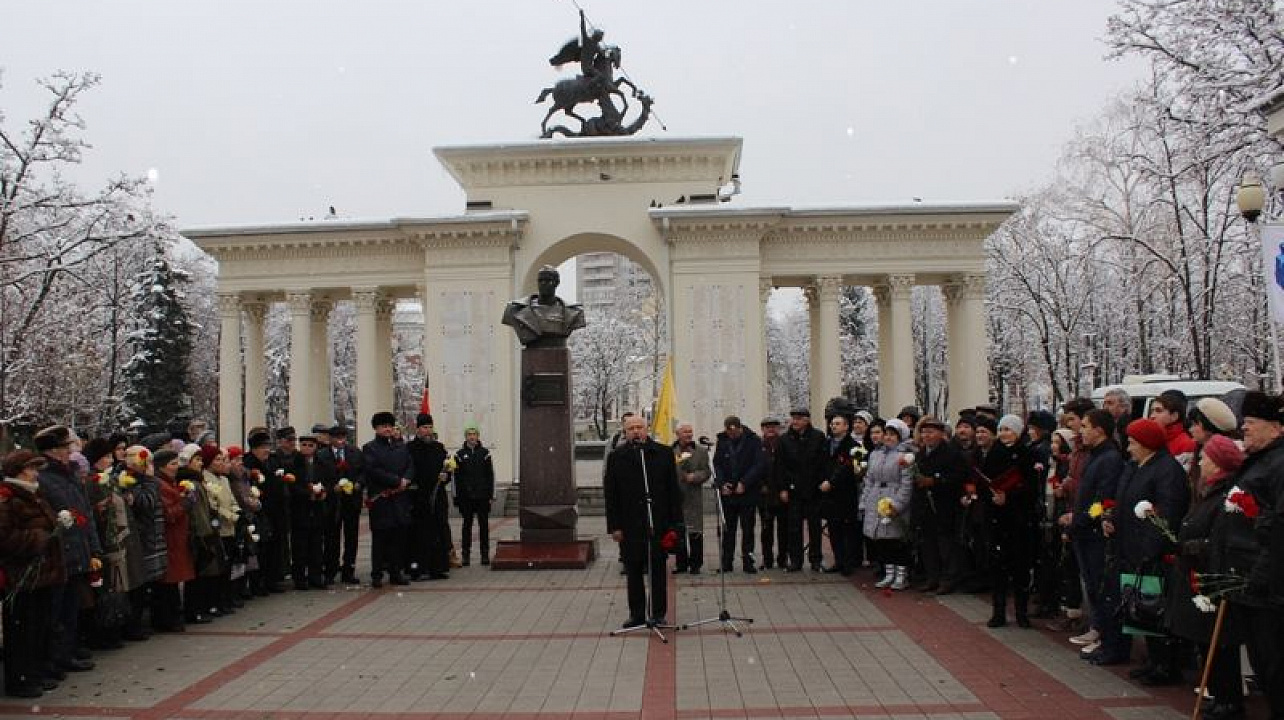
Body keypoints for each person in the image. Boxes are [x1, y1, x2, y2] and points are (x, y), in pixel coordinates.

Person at [1091, 418, 1189, 673]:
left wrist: (1149, 549)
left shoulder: (1167, 471)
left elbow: (1166, 514)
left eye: (1133, 442)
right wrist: (1111, 518)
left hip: (1149, 553)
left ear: (1147, 444)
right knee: (1139, 608)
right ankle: (1153, 660)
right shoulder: (1135, 467)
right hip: (1128, 548)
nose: (1129, 447)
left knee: (1152, 607)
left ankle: (1163, 664)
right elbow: (1124, 501)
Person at [1169, 434, 1246, 720]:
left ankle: (1229, 700)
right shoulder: (1209, 490)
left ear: (1218, 463)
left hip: (1214, 577)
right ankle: (1218, 694)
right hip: (1199, 574)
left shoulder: (1228, 495)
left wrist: (1195, 547)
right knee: (1205, 639)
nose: (1200, 461)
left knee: (1220, 643)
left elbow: (1224, 538)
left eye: (1205, 457)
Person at [1228, 391, 1284, 718]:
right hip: (1254, 578)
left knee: (1274, 664)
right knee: (1266, 664)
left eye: (1250, 423)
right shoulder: (1261, 459)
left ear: (1276, 427)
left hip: (1269, 584)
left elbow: (1277, 525)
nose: (1244, 429)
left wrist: (1261, 576)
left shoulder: (1278, 463)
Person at [33, 425, 101, 673]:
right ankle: (50, 659)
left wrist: (93, 547)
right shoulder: (43, 478)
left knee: (70, 608)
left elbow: (86, 514)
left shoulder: (70, 475)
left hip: (77, 551)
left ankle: (66, 654)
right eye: (66, 446)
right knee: (54, 611)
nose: (71, 450)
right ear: (54, 450)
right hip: (59, 554)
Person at [604, 414, 683, 627]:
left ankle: (658, 613)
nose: (636, 431)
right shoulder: (616, 457)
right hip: (630, 524)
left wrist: (675, 523)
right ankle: (637, 614)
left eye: (640, 427)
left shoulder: (663, 454)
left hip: (657, 522)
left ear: (647, 430)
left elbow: (673, 492)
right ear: (625, 432)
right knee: (634, 570)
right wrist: (615, 526)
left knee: (657, 569)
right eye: (631, 428)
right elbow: (611, 495)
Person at [0, 451, 66, 698]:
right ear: (17, 471)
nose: (36, 473)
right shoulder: (8, 497)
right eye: (31, 468)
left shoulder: (32, 494)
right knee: (22, 629)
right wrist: (37, 539)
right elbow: (5, 536)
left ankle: (35, 673)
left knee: (38, 626)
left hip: (41, 574)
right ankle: (21, 679)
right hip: (22, 576)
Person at [979, 415, 1038, 628]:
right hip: (996, 518)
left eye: (1009, 429)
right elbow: (983, 480)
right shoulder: (994, 453)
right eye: (1001, 429)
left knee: (1020, 568)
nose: (1004, 433)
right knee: (998, 567)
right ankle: (999, 611)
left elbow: (1032, 487)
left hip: (1019, 519)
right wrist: (992, 495)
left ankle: (1022, 612)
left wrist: (1011, 496)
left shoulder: (1026, 454)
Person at [912, 416, 966, 594]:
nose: (926, 436)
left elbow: (957, 478)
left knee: (946, 544)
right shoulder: (920, 454)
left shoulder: (951, 453)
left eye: (931, 432)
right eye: (924, 432)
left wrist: (935, 481)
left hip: (944, 506)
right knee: (928, 544)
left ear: (941, 434)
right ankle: (932, 577)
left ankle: (948, 578)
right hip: (925, 506)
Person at [362, 412, 414, 587]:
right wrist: (396, 481)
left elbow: (410, 465)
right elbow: (373, 470)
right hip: (381, 500)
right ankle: (376, 574)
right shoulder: (370, 448)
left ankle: (395, 572)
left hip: (400, 499)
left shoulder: (401, 447)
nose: (387, 429)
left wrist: (406, 479)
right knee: (380, 539)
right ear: (376, 428)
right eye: (383, 426)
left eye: (389, 426)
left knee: (398, 539)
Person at [862, 419, 914, 590]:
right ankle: (889, 572)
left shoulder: (904, 456)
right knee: (882, 540)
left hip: (894, 497)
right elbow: (869, 479)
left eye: (893, 435)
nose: (888, 438)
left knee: (897, 540)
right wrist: (865, 500)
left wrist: (897, 505)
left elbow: (907, 484)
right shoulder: (875, 454)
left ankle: (901, 574)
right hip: (876, 498)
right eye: (887, 434)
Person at [713, 416, 764, 573]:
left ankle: (748, 562)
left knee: (748, 529)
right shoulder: (722, 441)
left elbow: (758, 464)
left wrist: (745, 482)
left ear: (740, 428)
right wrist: (722, 483)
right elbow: (717, 464)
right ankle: (726, 562)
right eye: (729, 431)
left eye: (735, 431)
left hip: (747, 492)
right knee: (728, 529)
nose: (732, 434)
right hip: (728, 493)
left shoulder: (753, 440)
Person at [778, 408, 827, 572]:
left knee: (814, 527)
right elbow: (780, 466)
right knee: (794, 528)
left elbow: (822, 462)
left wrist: (821, 482)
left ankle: (815, 559)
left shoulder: (818, 437)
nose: (795, 422)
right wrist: (783, 488)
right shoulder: (785, 439)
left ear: (807, 420)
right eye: (793, 418)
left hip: (813, 489)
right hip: (794, 490)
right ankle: (796, 560)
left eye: (798, 419)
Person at [152, 449, 194, 632]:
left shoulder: (170, 483)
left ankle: (171, 615)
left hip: (177, 537)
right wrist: (184, 504)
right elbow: (168, 513)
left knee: (173, 579)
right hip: (170, 538)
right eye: (173, 464)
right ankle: (167, 617)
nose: (177, 468)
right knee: (168, 579)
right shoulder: (161, 485)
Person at [406, 414, 450, 580]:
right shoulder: (410, 448)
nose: (428, 431)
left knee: (438, 532)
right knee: (418, 535)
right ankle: (417, 569)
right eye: (424, 428)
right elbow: (408, 471)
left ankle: (437, 568)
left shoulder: (439, 447)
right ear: (418, 429)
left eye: (430, 427)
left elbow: (447, 469)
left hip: (437, 497)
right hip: (418, 498)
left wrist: (446, 476)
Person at [290, 434, 334, 589]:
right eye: (304, 445)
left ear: (316, 447)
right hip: (300, 509)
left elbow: (329, 481)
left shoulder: (322, 464)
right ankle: (300, 578)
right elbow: (292, 485)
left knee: (316, 545)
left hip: (317, 510)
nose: (306, 448)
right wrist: (307, 493)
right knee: (300, 546)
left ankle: (316, 576)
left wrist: (323, 492)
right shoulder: (293, 464)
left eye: (310, 445)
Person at [819, 412, 861, 575]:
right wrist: (823, 481)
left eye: (837, 424)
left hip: (845, 493)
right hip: (828, 495)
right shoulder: (826, 444)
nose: (833, 426)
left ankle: (848, 563)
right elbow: (821, 464)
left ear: (846, 426)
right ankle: (839, 560)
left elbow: (852, 468)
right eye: (832, 424)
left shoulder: (855, 446)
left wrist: (832, 482)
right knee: (834, 530)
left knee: (847, 531)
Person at [322, 425, 364, 585]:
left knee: (351, 537)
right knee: (332, 538)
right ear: (331, 439)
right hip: (332, 502)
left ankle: (349, 570)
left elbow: (362, 472)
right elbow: (320, 477)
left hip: (351, 501)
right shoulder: (323, 455)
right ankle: (330, 571)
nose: (341, 441)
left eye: (343, 438)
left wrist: (359, 483)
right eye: (337, 438)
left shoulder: (354, 452)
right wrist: (331, 487)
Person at [453, 423, 496, 566]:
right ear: (466, 437)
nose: (472, 437)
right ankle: (466, 555)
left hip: (482, 496)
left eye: (474, 434)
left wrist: (491, 495)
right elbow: (456, 478)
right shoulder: (459, 455)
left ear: (478, 436)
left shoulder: (485, 453)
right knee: (467, 526)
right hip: (466, 497)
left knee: (484, 526)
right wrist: (456, 497)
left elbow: (490, 476)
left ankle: (485, 554)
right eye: (469, 434)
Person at [671, 422, 711, 575]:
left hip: (693, 495)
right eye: (685, 432)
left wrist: (695, 476)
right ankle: (681, 564)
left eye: (690, 431)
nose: (688, 434)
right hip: (676, 497)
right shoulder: (670, 451)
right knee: (679, 532)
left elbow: (706, 471)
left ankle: (696, 564)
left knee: (695, 531)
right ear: (678, 434)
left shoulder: (700, 451)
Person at [757, 416, 789, 570]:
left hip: (781, 493)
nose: (771, 429)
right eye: (767, 426)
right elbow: (754, 467)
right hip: (764, 495)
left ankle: (783, 558)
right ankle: (767, 559)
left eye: (774, 426)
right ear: (762, 429)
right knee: (766, 530)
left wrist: (785, 488)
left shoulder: (784, 444)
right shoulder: (758, 446)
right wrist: (761, 484)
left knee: (784, 530)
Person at [1150, 389, 1197, 471]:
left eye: (1158, 411)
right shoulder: (1151, 439)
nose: (1152, 416)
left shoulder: (1186, 443)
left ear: (1174, 416)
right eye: (1152, 411)